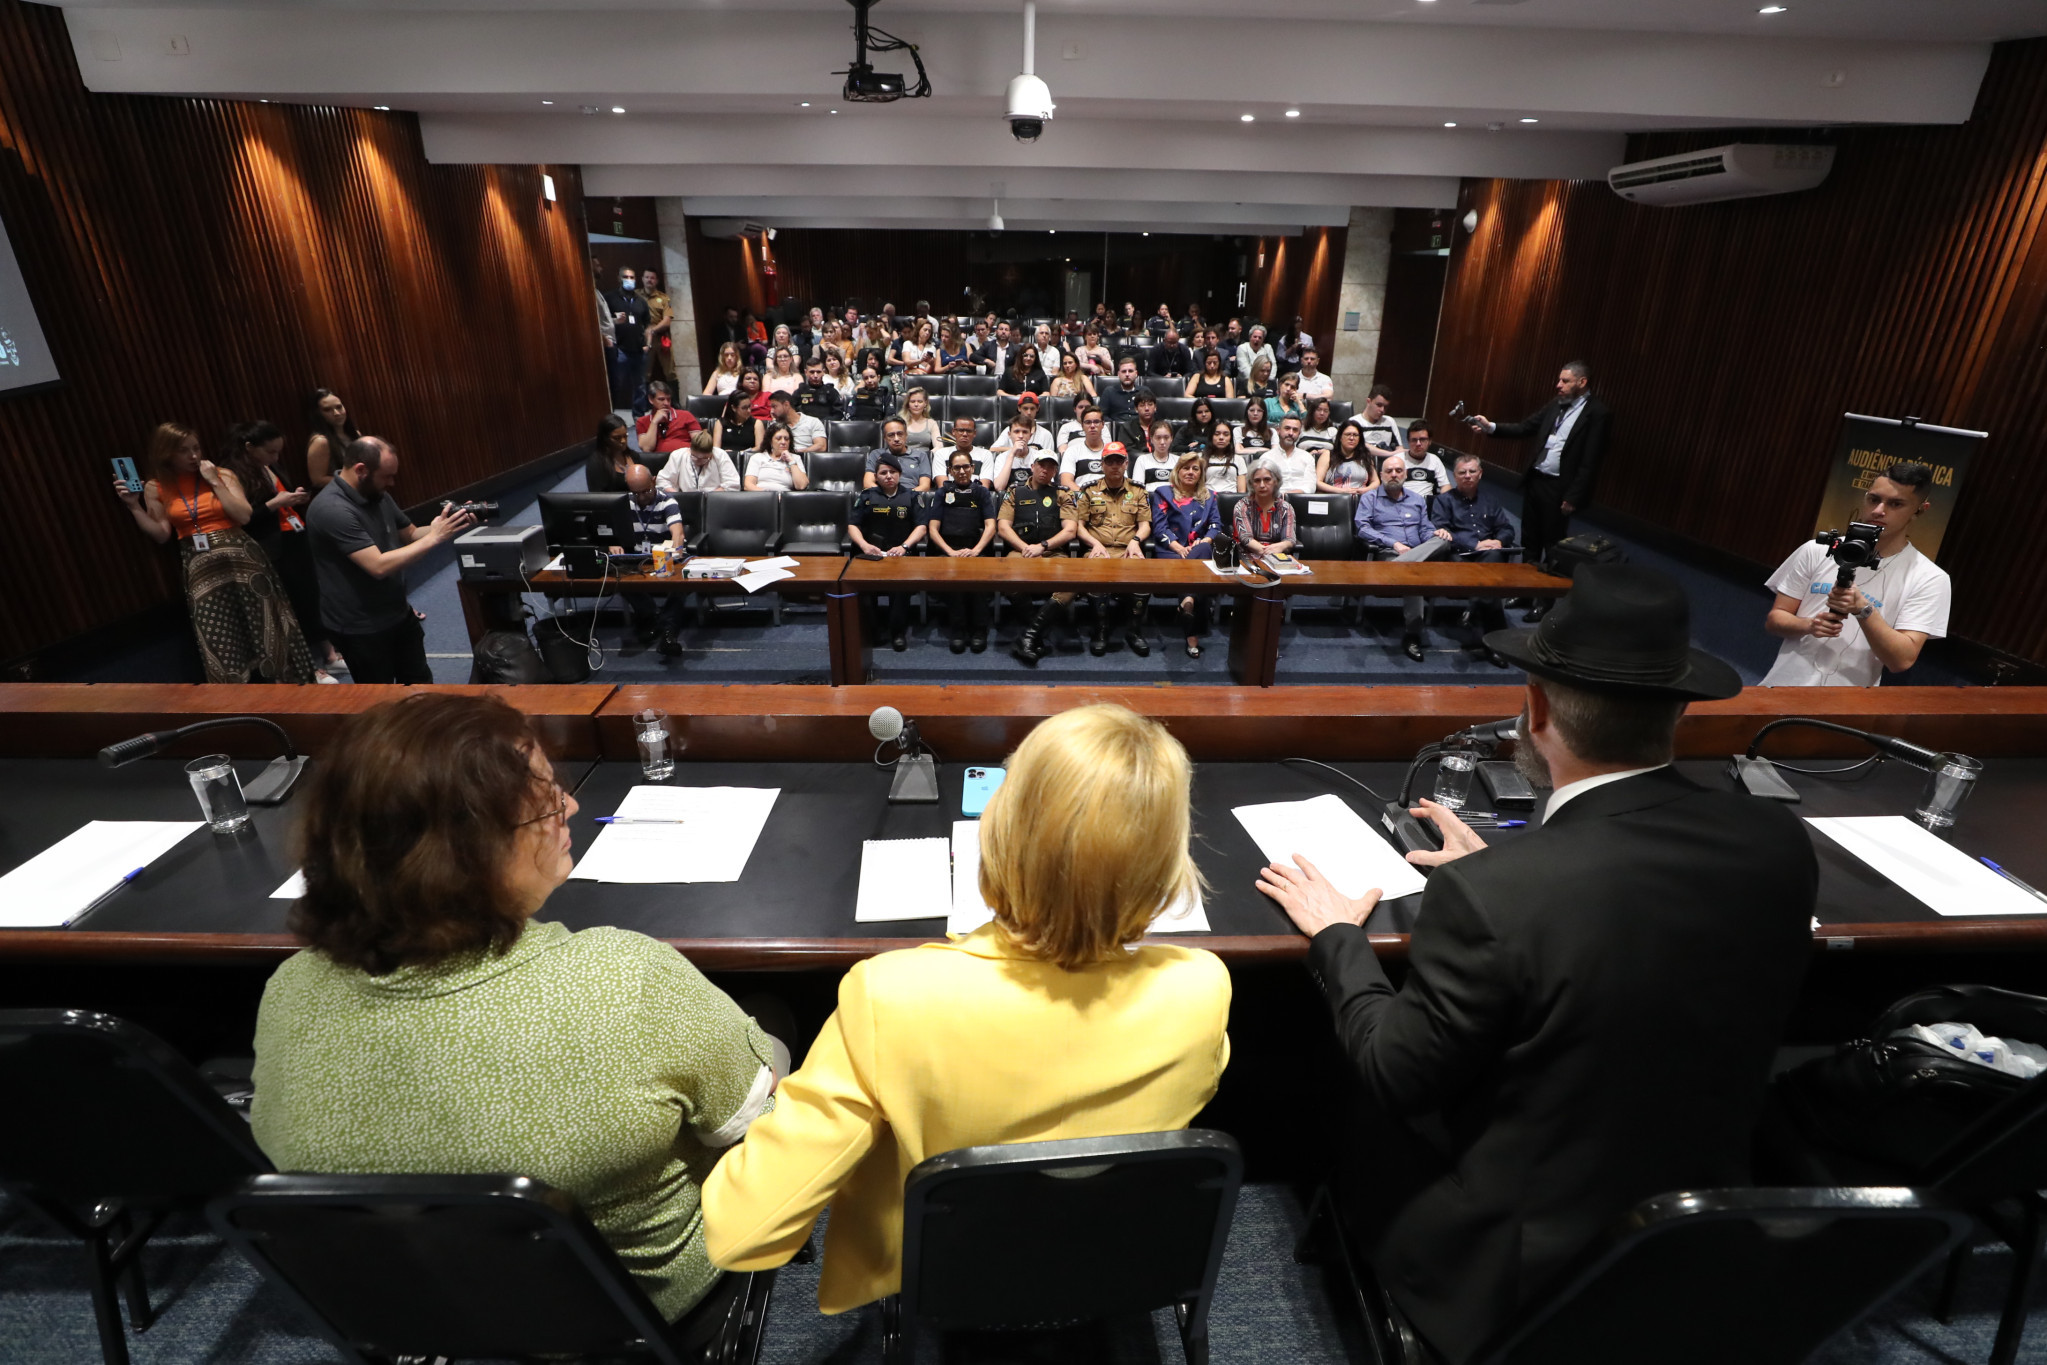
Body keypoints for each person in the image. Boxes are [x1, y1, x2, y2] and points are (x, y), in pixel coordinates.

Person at [1255, 564, 1813, 1365]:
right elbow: (1628, 915)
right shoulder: (1776, 842)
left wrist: (1336, 934)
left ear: (1538, 706)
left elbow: (1393, 1070)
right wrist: (1512, 868)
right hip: (1699, 1221)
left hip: (1515, 1267)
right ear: (1679, 707)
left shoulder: (1498, 895)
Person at [252, 694, 780, 1324]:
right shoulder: (626, 978)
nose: (573, 808)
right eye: (550, 804)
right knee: (773, 1038)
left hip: (422, 1306)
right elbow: (750, 1123)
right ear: (470, 854)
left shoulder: (289, 991)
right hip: (638, 1314)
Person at [703, 704, 1230, 1310]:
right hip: (1113, 1260)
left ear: (999, 832)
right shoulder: (1203, 987)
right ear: (1166, 866)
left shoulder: (891, 996)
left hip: (944, 1274)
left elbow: (739, 1234)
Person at [114, 422, 315, 685]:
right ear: (166, 454)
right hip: (199, 563)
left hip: (241, 554)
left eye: (196, 448)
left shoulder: (224, 475)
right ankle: (241, 694)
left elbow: (243, 516)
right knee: (218, 629)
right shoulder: (156, 486)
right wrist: (134, 507)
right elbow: (162, 533)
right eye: (184, 451)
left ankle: (286, 682)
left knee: (264, 622)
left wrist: (214, 481)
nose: (193, 456)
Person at [1760, 461, 1951, 687]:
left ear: (1920, 509)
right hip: (1782, 686)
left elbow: (1901, 660)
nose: (1879, 510)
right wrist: (1809, 626)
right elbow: (1774, 620)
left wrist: (1863, 610)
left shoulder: (1929, 578)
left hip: (1846, 704)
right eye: (1873, 499)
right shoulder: (1817, 550)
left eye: (1896, 504)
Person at [306, 437, 472, 684]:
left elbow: (413, 535)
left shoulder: (378, 495)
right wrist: (435, 538)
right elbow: (378, 565)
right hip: (360, 626)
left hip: (397, 612)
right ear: (361, 470)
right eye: (387, 476)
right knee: (381, 698)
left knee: (419, 684)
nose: (392, 483)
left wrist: (450, 524)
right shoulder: (332, 509)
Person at [1469, 361, 1611, 618]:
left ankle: (1545, 603)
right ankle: (1524, 592)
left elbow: (1591, 461)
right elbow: (1525, 427)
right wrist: (1491, 427)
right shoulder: (1555, 404)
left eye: (1565, 381)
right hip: (1537, 480)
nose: (1558, 385)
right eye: (1559, 380)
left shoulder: (1597, 413)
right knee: (1530, 541)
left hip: (1560, 488)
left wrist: (1573, 496)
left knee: (1553, 546)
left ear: (1582, 382)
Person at [222, 420, 338, 681]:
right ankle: (308, 665)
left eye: (277, 452)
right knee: (289, 604)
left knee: (310, 595)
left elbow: (280, 497)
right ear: (250, 447)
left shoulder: (269, 467)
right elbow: (245, 517)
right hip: (270, 545)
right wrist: (277, 503)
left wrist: (294, 497)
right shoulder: (233, 473)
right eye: (270, 451)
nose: (275, 457)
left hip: (295, 534)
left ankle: (329, 653)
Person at [1355, 452, 1451, 663]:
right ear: (1381, 475)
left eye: (1399, 471)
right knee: (1412, 577)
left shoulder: (1417, 500)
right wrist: (1394, 544)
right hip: (1389, 556)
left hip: (1419, 554)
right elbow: (1362, 528)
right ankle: (1413, 635)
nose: (1394, 474)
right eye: (1389, 471)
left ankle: (1407, 564)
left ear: (1405, 474)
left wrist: (1434, 534)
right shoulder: (1369, 498)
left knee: (1442, 539)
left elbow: (1425, 529)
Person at [1431, 453, 1517, 667]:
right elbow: (1441, 530)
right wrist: (1475, 544)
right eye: (1462, 472)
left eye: (1472, 472)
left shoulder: (1490, 500)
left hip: (1490, 555)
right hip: (1459, 555)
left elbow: (1506, 528)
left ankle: (1475, 606)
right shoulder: (1444, 501)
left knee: (1494, 557)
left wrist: (1499, 541)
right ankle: (1494, 643)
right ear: (1455, 476)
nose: (1467, 476)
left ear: (1480, 474)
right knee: (1490, 584)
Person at [1072, 448, 1154, 657]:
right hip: (1099, 550)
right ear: (1103, 464)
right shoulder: (1089, 490)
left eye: (1119, 461)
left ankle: (1134, 631)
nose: (1115, 466)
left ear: (1126, 464)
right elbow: (1079, 526)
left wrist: (1136, 541)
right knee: (1097, 577)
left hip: (1129, 550)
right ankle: (1101, 629)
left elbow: (1145, 525)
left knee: (1144, 579)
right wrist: (1094, 544)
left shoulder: (1138, 491)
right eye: (1110, 462)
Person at [926, 448, 1001, 653]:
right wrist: (950, 552)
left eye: (965, 467)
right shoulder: (942, 492)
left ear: (972, 468)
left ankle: (979, 629)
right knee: (955, 581)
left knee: (977, 581)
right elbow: (932, 529)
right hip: (948, 550)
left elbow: (990, 526)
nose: (961, 471)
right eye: (957, 467)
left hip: (975, 549)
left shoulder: (981, 492)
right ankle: (958, 629)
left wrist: (976, 550)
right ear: (949, 470)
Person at [849, 453, 926, 651]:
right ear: (876, 476)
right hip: (872, 554)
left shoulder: (912, 496)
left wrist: (905, 546)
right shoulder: (866, 497)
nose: (888, 476)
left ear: (900, 474)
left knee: (899, 589)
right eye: (883, 473)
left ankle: (897, 632)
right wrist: (864, 546)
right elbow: (852, 526)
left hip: (901, 555)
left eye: (893, 472)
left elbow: (921, 527)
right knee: (865, 589)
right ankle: (872, 630)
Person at [1151, 452, 1221, 659]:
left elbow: (1216, 525)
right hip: (1171, 553)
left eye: (1195, 469)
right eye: (1186, 468)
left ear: (1201, 474)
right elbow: (1159, 527)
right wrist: (1179, 548)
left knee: (1203, 552)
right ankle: (1191, 629)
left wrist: (1204, 540)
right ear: (1178, 471)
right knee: (1199, 570)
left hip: (1199, 551)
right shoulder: (1163, 493)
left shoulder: (1209, 497)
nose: (1190, 472)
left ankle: (1187, 603)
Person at [614, 462, 686, 656]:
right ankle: (651, 616)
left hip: (666, 556)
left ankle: (669, 633)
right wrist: (613, 542)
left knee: (681, 584)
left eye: (645, 491)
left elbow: (678, 534)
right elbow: (612, 532)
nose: (641, 498)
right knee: (618, 577)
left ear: (653, 481)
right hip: (637, 558)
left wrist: (673, 551)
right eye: (636, 493)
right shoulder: (624, 504)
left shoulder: (667, 502)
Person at [1234, 460, 1296, 559]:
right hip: (1247, 559)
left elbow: (1289, 539)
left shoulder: (1285, 508)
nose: (1262, 485)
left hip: (1279, 557)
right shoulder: (1242, 506)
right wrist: (1268, 552)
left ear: (1276, 481)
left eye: (1267, 479)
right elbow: (1246, 538)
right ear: (1251, 483)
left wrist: (1282, 546)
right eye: (1257, 481)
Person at [608, 267, 652, 407]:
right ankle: (612, 414)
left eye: (632, 277)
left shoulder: (640, 301)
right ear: (619, 278)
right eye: (626, 277)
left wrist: (648, 344)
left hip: (638, 349)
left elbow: (648, 325)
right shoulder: (610, 298)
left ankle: (638, 417)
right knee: (616, 383)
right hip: (619, 348)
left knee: (640, 386)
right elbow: (601, 321)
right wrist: (614, 319)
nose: (629, 280)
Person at [304, 388, 358, 491]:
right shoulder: (321, 441)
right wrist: (352, 481)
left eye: (339, 407)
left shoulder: (354, 434)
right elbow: (318, 480)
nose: (337, 413)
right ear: (318, 414)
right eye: (327, 410)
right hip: (341, 495)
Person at [659, 430, 742, 495]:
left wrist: (710, 495)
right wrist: (678, 495)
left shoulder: (720, 455)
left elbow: (733, 484)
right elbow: (663, 480)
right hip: (685, 500)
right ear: (690, 449)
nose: (698, 461)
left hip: (714, 500)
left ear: (711, 453)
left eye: (704, 459)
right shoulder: (677, 455)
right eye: (694, 457)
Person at [863, 418, 932, 492]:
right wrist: (887, 496)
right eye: (891, 435)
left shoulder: (920, 455)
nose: (896, 439)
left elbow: (925, 486)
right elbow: (867, 483)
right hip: (883, 499)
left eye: (900, 434)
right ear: (885, 438)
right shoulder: (876, 454)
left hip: (911, 497)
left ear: (906, 435)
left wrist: (905, 496)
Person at [636, 382, 702, 459]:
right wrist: (654, 422)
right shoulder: (642, 421)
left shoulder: (686, 415)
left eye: (668, 399)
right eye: (661, 399)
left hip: (685, 459)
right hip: (659, 462)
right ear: (651, 399)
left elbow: (701, 443)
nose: (666, 403)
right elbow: (647, 448)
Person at [744, 424, 811, 493]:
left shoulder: (795, 458)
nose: (783, 442)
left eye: (786, 439)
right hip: (761, 497)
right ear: (770, 441)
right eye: (778, 438)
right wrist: (770, 495)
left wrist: (791, 461)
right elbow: (748, 485)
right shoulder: (757, 457)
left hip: (786, 499)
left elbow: (801, 486)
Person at [1059, 409, 1113, 492]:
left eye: (1096, 422)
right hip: (1082, 499)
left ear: (1103, 424)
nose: (1092, 426)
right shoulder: (1072, 451)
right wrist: (1086, 496)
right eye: (1088, 422)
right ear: (1082, 426)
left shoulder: (1112, 452)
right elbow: (1066, 482)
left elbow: (1123, 480)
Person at [1396, 421, 1452, 502]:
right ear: (1408, 442)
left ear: (1429, 441)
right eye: (1414, 440)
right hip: (1402, 503)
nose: (1418, 444)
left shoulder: (1434, 460)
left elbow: (1445, 486)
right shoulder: (1397, 459)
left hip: (1426, 506)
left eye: (1422, 439)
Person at [939, 415, 996, 488]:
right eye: (961, 430)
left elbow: (984, 487)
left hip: (976, 497)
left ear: (974, 433)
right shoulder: (941, 454)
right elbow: (943, 486)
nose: (965, 434)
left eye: (969, 431)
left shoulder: (986, 454)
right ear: (953, 431)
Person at [716, 371, 766, 455]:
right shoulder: (721, 423)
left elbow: (759, 448)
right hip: (725, 459)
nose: (749, 411)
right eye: (744, 408)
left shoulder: (757, 423)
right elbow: (716, 448)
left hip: (748, 459)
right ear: (734, 408)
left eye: (749, 406)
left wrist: (739, 453)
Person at [641, 269, 675, 388]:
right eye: (647, 277)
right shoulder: (636, 296)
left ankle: (675, 401)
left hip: (661, 338)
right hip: (643, 338)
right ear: (642, 279)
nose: (649, 280)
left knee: (670, 372)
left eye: (652, 278)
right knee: (644, 372)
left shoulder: (663, 298)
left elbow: (667, 321)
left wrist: (653, 330)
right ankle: (644, 402)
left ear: (657, 281)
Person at [1321, 422, 1378, 494]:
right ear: (1340, 437)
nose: (1351, 438)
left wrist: (1365, 490)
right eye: (1348, 434)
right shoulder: (1327, 455)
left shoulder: (1365, 456)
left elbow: (1375, 481)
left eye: (1355, 435)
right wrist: (1342, 491)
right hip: (1335, 498)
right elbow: (1318, 482)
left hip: (1361, 498)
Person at [585, 414, 634, 493]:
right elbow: (599, 498)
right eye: (617, 438)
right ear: (605, 438)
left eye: (625, 436)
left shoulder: (633, 455)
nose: (623, 441)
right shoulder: (596, 463)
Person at [765, 391, 826, 455]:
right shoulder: (774, 425)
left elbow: (821, 447)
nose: (771, 411)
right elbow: (768, 449)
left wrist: (798, 454)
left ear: (786, 404)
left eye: (774, 406)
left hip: (806, 460)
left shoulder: (813, 422)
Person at [1268, 416, 1318, 495]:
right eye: (1287, 428)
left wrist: (1291, 495)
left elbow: (1310, 486)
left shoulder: (1307, 457)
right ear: (1278, 430)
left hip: (1301, 500)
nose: (1291, 433)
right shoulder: (1267, 458)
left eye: (1295, 430)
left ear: (1299, 433)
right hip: (1275, 501)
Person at [1348, 385, 1401, 453]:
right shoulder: (1354, 422)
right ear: (1368, 401)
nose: (1382, 410)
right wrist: (1389, 454)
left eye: (1386, 407)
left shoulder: (1389, 421)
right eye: (1379, 405)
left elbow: (1399, 448)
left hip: (1386, 461)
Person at [1134, 418, 1181, 490]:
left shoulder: (1179, 461)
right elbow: (1137, 490)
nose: (1162, 442)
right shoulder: (1142, 460)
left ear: (1171, 438)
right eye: (1158, 438)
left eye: (1166, 437)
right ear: (1151, 439)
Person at [1097, 357, 1144, 425]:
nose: (1127, 374)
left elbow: (1152, 414)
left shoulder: (1144, 391)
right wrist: (1114, 425)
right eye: (1124, 371)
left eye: (1130, 371)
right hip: (1116, 430)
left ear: (1136, 373)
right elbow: (1101, 415)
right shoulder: (1109, 392)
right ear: (1118, 374)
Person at [1203, 421, 1246, 495]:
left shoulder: (1238, 460)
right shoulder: (1202, 458)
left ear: (1230, 438)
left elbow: (1242, 491)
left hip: (1231, 500)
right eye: (1217, 434)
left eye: (1226, 434)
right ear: (1211, 437)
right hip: (1207, 500)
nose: (1221, 437)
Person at [897, 386, 942, 451]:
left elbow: (939, 447)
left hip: (925, 458)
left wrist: (926, 456)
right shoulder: (900, 422)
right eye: (912, 401)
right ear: (908, 404)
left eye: (920, 401)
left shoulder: (931, 423)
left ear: (925, 403)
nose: (916, 404)